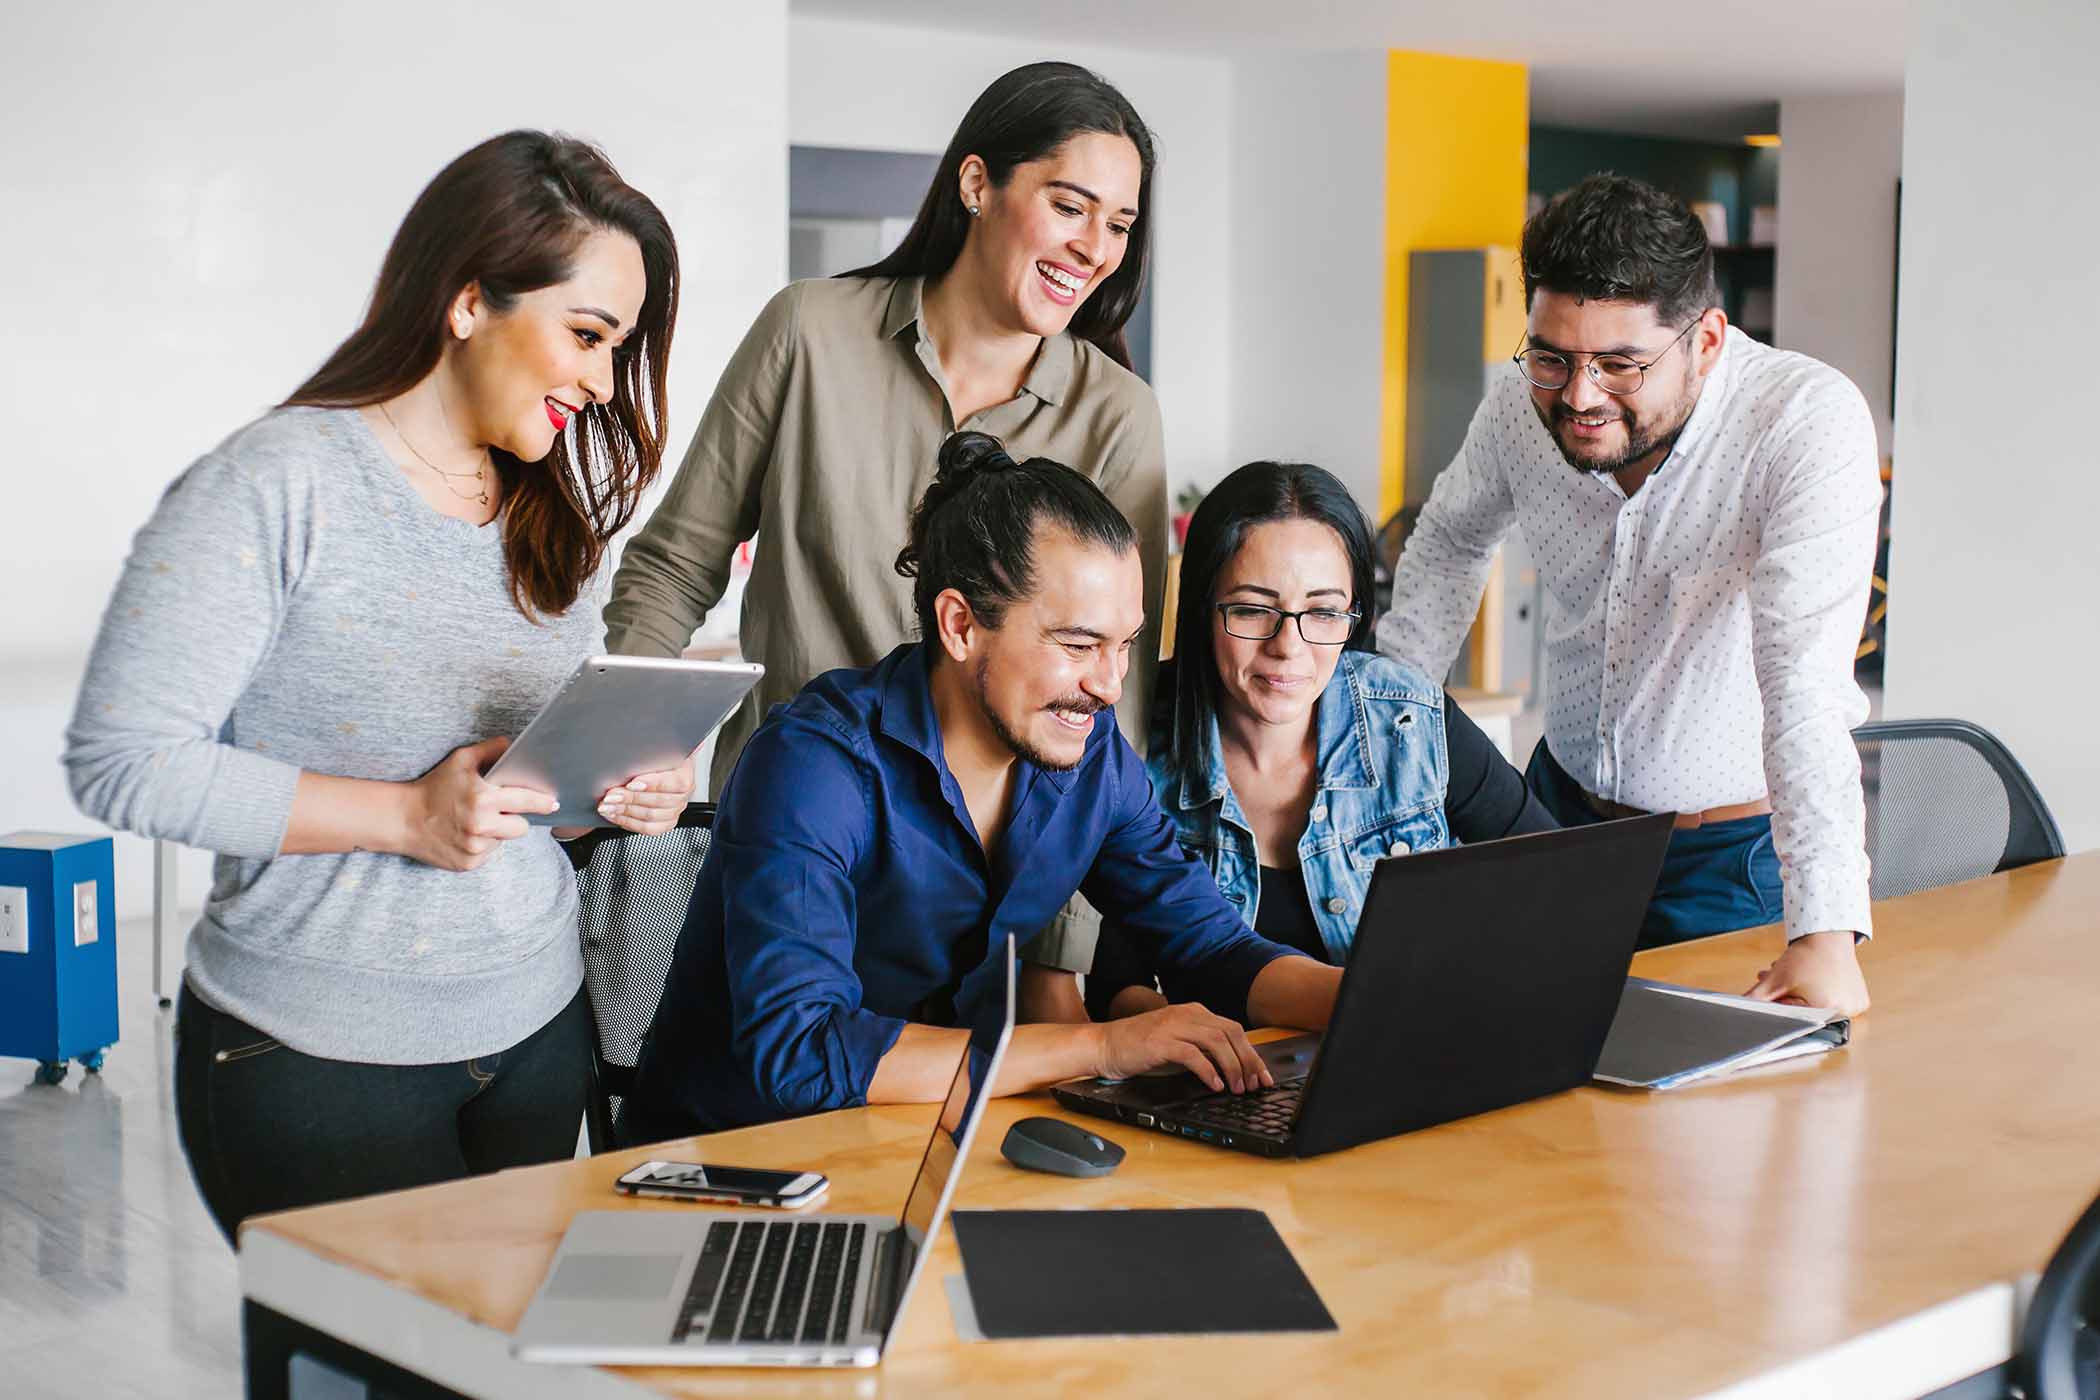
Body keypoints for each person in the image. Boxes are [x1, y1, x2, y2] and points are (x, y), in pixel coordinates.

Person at [64, 132, 694, 1242]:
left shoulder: (551, 515)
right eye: (587, 335)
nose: (603, 383)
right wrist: (405, 816)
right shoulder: (275, 484)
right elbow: (125, 761)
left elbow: (530, 788)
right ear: (466, 302)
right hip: (313, 1053)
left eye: (619, 347)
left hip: (537, 1025)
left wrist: (623, 782)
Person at [600, 61, 1166, 1016]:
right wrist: (634, 734)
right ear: (978, 182)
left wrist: (1063, 960)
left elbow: (1111, 698)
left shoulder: (1117, 415)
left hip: (988, 891)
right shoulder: (808, 334)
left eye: (1119, 225)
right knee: (776, 1120)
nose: (1096, 247)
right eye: (1071, 206)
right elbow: (674, 561)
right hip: (790, 844)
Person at [623, 434, 1343, 1140]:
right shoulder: (814, 764)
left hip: (923, 1144)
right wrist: (1103, 1047)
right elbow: (802, 1051)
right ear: (961, 624)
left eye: (1123, 645)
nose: (1109, 683)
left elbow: (1211, 945)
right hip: (724, 1162)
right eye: (1078, 644)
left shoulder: (1091, 762)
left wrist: (1376, 1002)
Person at [1379, 173, 1881, 1015]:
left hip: (1729, 858)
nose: (1578, 396)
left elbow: (1804, 678)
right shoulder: (1519, 405)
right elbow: (1449, 543)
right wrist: (1381, 738)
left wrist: (1825, 931)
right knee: (1511, 1079)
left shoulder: (1801, 423)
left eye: (1618, 364)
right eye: (1552, 357)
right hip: (1555, 816)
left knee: (1698, 1137)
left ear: (1708, 341)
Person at [1084, 461, 1557, 1021]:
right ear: (1203, 609)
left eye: (1324, 612)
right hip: (1223, 1082)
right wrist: (1165, 1029)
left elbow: (1555, 883)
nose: (1289, 646)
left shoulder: (1405, 718)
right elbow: (1115, 979)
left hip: (1403, 1058)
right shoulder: (1131, 742)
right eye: (1255, 609)